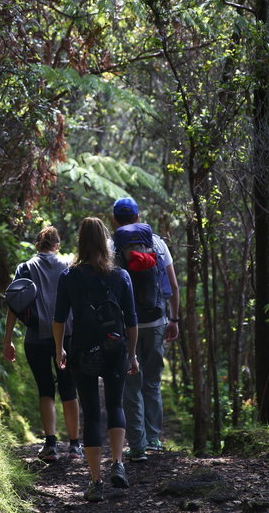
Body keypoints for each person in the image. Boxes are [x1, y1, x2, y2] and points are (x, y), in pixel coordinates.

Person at [53, 217, 139, 502]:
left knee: (91, 412)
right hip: (115, 349)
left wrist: (59, 349)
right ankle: (118, 464)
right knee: (115, 404)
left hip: (82, 350)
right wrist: (132, 354)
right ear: (105, 241)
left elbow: (59, 318)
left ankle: (95, 482)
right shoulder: (120, 276)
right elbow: (131, 321)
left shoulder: (69, 276)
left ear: (80, 242)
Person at [3, 226, 82, 461]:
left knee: (45, 389)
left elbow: (13, 304)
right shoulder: (70, 266)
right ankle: (75, 446)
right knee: (69, 390)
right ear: (57, 245)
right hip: (67, 336)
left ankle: (50, 445)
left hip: (36, 338)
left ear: (38, 245)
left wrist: (8, 340)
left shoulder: (25, 268)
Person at [111, 197, 180, 462]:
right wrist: (173, 319)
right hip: (156, 321)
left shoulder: (112, 246)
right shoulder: (158, 243)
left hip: (127, 326)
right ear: (138, 217)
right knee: (152, 382)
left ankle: (137, 446)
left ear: (115, 220)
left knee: (131, 383)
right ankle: (154, 440)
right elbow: (173, 286)